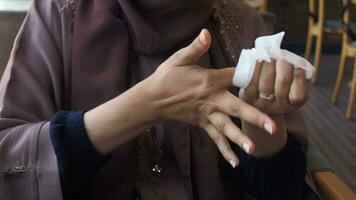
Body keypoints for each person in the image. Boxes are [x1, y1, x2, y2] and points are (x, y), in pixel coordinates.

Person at [0, 0, 316, 199]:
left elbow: (282, 190)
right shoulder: (57, 16)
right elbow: (11, 167)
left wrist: (261, 120)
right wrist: (145, 105)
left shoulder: (241, 23)